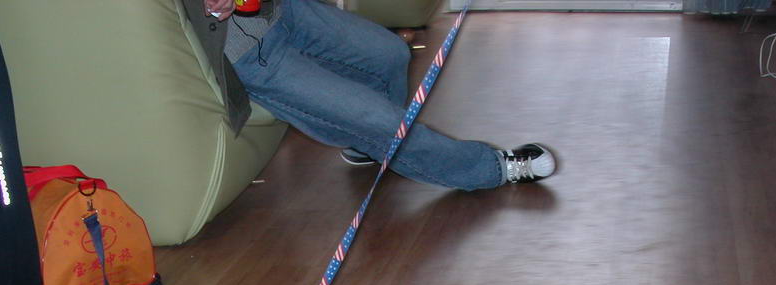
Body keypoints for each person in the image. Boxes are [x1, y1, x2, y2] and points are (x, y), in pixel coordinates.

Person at [203, 0, 556, 189]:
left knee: (390, 54)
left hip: (282, 9)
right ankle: (489, 169)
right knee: (380, 121)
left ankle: (368, 147)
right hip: (245, 54)